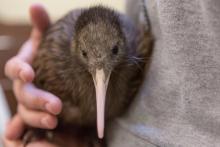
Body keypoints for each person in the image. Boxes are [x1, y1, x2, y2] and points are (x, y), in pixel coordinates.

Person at [3, 0, 220, 146]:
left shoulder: (136, 54)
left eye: (115, 51)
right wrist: (31, 77)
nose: (100, 74)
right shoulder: (59, 66)